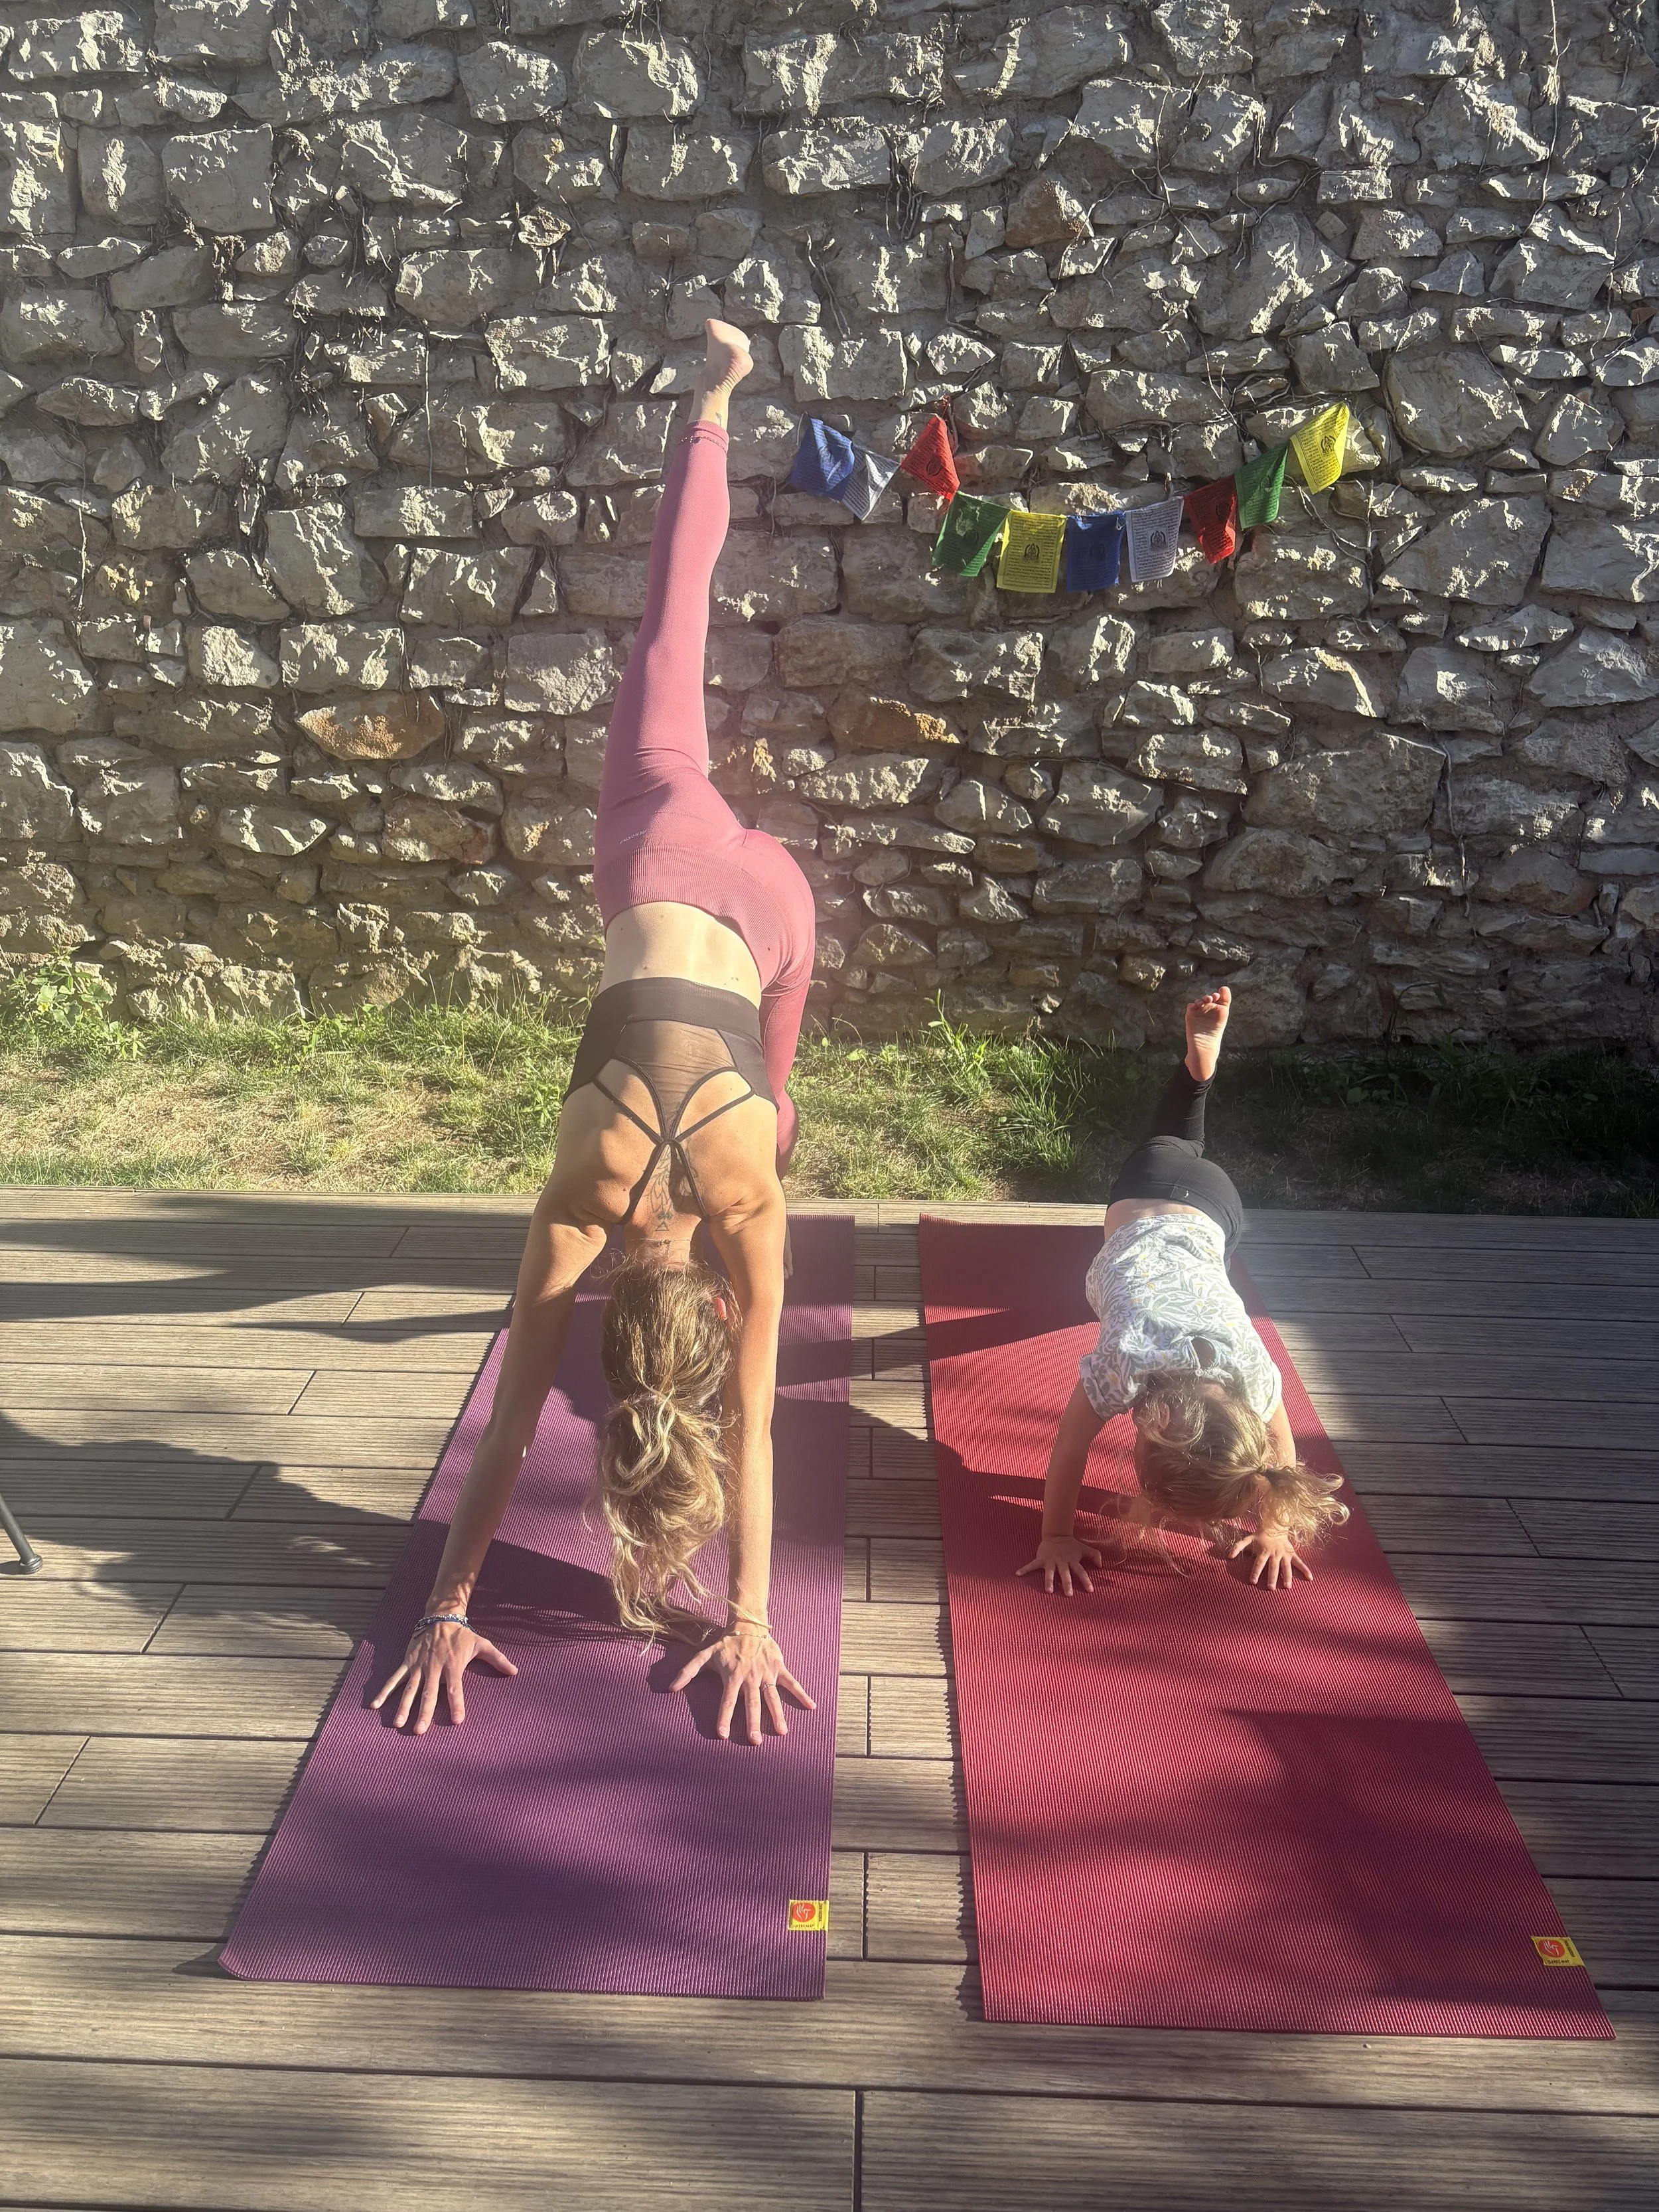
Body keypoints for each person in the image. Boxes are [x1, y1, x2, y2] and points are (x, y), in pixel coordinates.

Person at [372, 322, 819, 1747]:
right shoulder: (575, 1211)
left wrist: (751, 1613)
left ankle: (713, 400)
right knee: (668, 625)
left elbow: (748, 1427)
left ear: (695, 1317)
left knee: (777, 1110)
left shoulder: (746, 1221)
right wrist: (447, 1600)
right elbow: (510, 1422)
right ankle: (718, 400)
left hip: (775, 927)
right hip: (666, 848)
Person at [1019, 986, 1347, 1598]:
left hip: (1212, 1210)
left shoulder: (1247, 1373)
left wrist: (1276, 1524)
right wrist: (1054, 1536)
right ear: (1147, 1434)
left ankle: (1197, 1075)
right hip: (1140, 1202)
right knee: (1172, 1151)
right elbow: (1066, 1453)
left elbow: (1279, 1449)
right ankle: (1198, 1072)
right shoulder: (1122, 1369)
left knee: (1177, 1149)